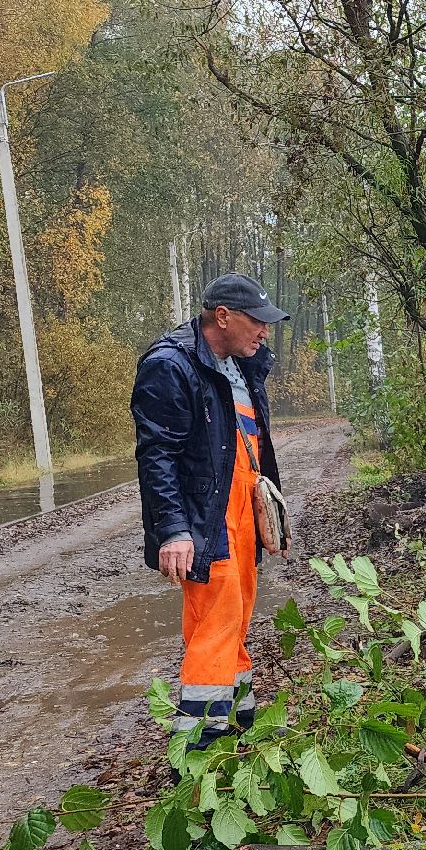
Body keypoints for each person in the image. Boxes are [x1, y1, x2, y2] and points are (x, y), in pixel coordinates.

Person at [132, 272, 288, 748]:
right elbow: (155, 455)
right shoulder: (170, 365)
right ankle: (199, 751)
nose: (265, 333)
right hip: (206, 522)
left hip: (242, 513)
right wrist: (174, 530)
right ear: (222, 316)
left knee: (236, 621)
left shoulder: (243, 364)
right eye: (257, 322)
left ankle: (240, 730)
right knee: (213, 630)